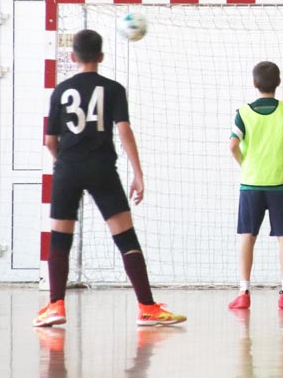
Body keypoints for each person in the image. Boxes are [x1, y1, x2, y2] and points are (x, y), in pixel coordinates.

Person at [34, 29, 186, 327]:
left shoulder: (60, 90)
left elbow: (50, 141)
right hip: (102, 168)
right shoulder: (113, 89)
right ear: (101, 57)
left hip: (67, 168)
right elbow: (124, 130)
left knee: (60, 237)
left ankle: (55, 306)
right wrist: (138, 174)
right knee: (125, 236)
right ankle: (147, 307)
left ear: (73, 56)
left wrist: (65, 165)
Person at [228, 61, 283, 310]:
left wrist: (245, 165)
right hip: (280, 184)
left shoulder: (243, 112)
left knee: (247, 236)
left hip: (251, 183)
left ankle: (243, 292)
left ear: (254, 83)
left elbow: (233, 145)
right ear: (279, 83)